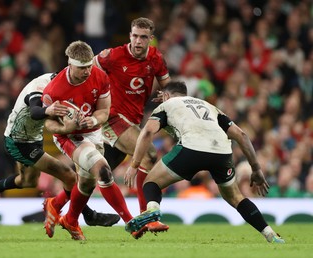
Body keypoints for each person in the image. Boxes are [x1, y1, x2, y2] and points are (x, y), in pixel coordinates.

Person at [124, 81, 285, 243]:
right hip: (222, 152)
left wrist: (134, 165)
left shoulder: (167, 105)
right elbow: (241, 135)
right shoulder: (209, 106)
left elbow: (147, 132)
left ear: (165, 96)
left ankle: (153, 211)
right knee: (236, 197)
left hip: (191, 149)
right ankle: (270, 234)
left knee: (151, 182)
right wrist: (256, 169)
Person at [0, 72, 120, 235]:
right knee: (69, 176)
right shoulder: (39, 87)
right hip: (19, 141)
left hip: (32, 137)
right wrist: (50, 110)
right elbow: (35, 111)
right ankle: (88, 215)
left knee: (27, 181)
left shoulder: (60, 83)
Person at [42, 40, 134, 240]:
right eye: (81, 68)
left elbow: (103, 110)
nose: (86, 71)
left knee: (87, 183)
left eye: (88, 66)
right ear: (70, 64)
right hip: (69, 137)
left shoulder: (99, 76)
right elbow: (49, 125)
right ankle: (131, 222)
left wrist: (92, 120)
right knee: (102, 169)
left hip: (93, 131)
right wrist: (66, 127)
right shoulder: (54, 90)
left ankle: (67, 216)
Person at [94, 17, 170, 213]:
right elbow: (89, 71)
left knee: (94, 174)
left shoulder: (155, 59)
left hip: (133, 122)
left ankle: (58, 205)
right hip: (112, 118)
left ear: (150, 39)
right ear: (130, 36)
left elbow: (169, 87)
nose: (138, 41)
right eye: (135, 36)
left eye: (143, 37)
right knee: (149, 154)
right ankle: (146, 215)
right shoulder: (113, 56)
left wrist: (168, 95)